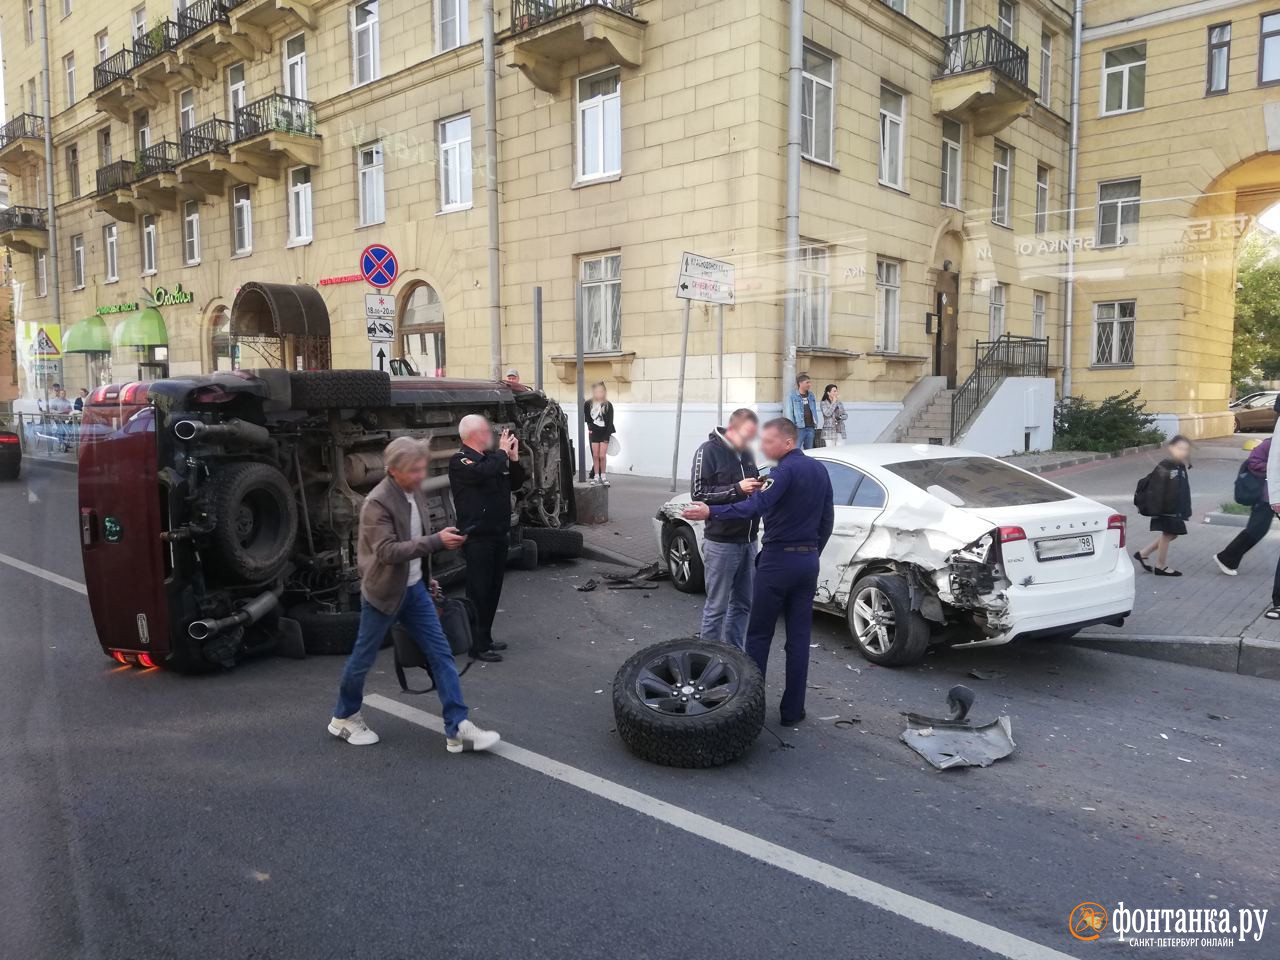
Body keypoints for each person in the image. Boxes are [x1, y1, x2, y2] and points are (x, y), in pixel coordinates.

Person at [328, 437, 500, 752]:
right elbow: (387, 551)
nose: (422, 474)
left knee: (441, 654)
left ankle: (457, 727)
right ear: (394, 470)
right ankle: (344, 717)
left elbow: (414, 540)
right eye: (415, 469)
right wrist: (436, 541)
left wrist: (427, 579)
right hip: (383, 595)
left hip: (415, 591)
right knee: (363, 659)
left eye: (423, 467)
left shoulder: (414, 491)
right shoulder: (377, 502)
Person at [683, 418, 833, 725]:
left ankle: (749, 709)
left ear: (788, 442)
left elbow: (752, 508)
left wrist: (711, 511)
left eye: (770, 441)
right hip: (807, 563)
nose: (764, 447)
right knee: (799, 640)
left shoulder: (784, 472)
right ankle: (792, 712)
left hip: (777, 562)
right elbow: (827, 519)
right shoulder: (819, 470)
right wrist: (812, 552)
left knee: (759, 636)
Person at [449, 414, 526, 662]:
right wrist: (503, 453)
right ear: (474, 434)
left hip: (497, 533)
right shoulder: (461, 460)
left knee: (493, 590)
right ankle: (476, 645)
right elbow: (482, 473)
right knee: (478, 592)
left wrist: (512, 460)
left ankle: (486, 637)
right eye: (486, 431)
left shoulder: (491, 460)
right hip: (478, 537)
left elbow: (516, 483)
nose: (491, 436)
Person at [690, 408, 762, 649]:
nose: (750, 440)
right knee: (716, 607)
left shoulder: (747, 453)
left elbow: (751, 489)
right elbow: (698, 494)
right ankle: (707, 658)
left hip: (749, 540)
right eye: (746, 434)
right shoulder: (708, 451)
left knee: (743, 604)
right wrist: (738, 489)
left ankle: (733, 657)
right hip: (721, 542)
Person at [1214, 428, 1275, 576]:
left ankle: (1227, 557)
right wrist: (1273, 468)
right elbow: (1253, 462)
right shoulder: (1270, 444)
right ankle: (1226, 558)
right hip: (1265, 496)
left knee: (1257, 530)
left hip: (1274, 495)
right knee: (1256, 530)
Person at [1134, 435, 1193, 577]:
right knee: (1168, 534)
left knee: (1172, 535)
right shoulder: (1166, 465)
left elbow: (1183, 489)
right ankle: (1160, 566)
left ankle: (1143, 554)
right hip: (1166, 509)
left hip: (1175, 509)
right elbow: (1156, 489)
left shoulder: (1180, 465)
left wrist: (1185, 508)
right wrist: (1157, 510)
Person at [584, 381, 616, 485]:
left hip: (604, 433)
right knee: (595, 455)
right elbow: (588, 419)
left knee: (602, 456)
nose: (599, 393)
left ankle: (604, 476)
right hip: (594, 433)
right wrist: (591, 429)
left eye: (601, 391)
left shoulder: (608, 405)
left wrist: (607, 435)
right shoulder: (588, 404)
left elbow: (610, 422)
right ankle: (596, 476)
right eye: (597, 391)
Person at [784, 373, 822, 450]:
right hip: (798, 428)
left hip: (811, 427)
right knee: (795, 449)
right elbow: (789, 412)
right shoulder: (792, 395)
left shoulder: (811, 395)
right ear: (800, 383)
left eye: (809, 382)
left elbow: (813, 409)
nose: (809, 384)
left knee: (809, 450)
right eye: (807, 382)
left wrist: (815, 422)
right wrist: (792, 427)